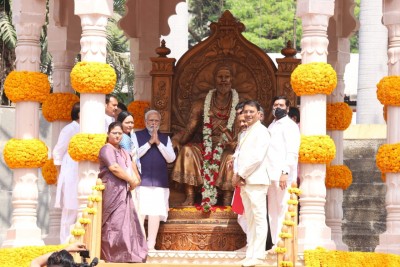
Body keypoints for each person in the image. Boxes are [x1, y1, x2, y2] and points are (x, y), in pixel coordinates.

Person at [171, 64, 240, 206]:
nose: (223, 80)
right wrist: (177, 139)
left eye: (226, 77)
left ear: (232, 80)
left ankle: (227, 198)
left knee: (230, 157)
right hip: (205, 147)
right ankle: (189, 196)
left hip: (228, 147)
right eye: (220, 77)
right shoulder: (202, 103)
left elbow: (243, 131)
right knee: (187, 151)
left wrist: (235, 144)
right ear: (214, 80)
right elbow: (190, 128)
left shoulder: (239, 103)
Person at [98, 122, 148, 263]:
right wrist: (131, 181)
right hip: (112, 191)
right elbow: (114, 167)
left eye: (120, 133)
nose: (118, 135)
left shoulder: (124, 152)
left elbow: (133, 169)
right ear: (108, 134)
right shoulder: (106, 149)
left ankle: (128, 255)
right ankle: (112, 255)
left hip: (125, 191)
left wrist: (135, 180)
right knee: (114, 223)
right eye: (114, 133)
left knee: (127, 223)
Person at [132, 110, 176, 250]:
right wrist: (149, 143)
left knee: (155, 212)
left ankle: (151, 245)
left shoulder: (165, 138)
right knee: (140, 212)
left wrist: (158, 143)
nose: (154, 123)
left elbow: (171, 158)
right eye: (151, 121)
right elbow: (134, 155)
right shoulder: (136, 135)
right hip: (142, 180)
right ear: (146, 122)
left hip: (159, 182)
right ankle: (141, 244)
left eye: (156, 121)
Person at [233, 100, 271, 267]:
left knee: (259, 218)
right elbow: (241, 156)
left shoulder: (262, 131)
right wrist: (237, 174)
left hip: (256, 181)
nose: (248, 114)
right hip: (245, 181)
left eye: (251, 111)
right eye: (246, 111)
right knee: (250, 219)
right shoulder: (245, 132)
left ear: (258, 113)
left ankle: (259, 255)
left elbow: (257, 157)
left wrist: (240, 173)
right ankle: (251, 254)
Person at [266, 96, 301, 249]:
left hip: (282, 175)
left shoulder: (290, 126)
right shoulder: (272, 125)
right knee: (272, 211)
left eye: (281, 105)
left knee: (283, 208)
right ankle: (275, 243)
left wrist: (285, 172)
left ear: (287, 108)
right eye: (275, 105)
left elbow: (292, 151)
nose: (277, 107)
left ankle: (284, 244)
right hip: (270, 175)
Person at [53, 102, 80, 244]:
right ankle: (64, 243)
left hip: (83, 171)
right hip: (70, 170)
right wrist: (59, 174)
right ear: (80, 114)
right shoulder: (69, 129)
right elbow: (57, 152)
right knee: (70, 208)